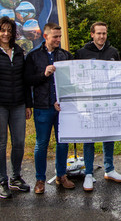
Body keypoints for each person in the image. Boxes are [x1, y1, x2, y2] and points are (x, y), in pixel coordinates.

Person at [0, 16, 32, 199]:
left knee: (19, 142)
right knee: (0, 143)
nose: (6, 34)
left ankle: (16, 177)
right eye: (2, 30)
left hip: (19, 104)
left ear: (13, 33)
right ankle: (2, 181)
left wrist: (28, 104)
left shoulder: (19, 52)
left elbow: (25, 81)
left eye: (9, 31)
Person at [75, 21, 121, 192]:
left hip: (108, 102)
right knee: (89, 138)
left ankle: (109, 169)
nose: (102, 36)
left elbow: (118, 75)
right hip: (88, 103)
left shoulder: (113, 52)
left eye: (104, 33)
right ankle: (88, 173)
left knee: (108, 136)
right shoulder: (82, 53)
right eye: (98, 33)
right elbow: (76, 77)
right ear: (92, 34)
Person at [25, 22, 75, 194]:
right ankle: (40, 179)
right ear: (45, 36)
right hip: (42, 107)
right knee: (41, 144)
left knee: (62, 143)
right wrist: (43, 74)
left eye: (60, 37)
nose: (58, 40)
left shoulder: (66, 55)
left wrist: (65, 99)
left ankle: (61, 175)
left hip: (61, 108)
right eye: (55, 37)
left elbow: (71, 81)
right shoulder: (32, 57)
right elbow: (28, 81)